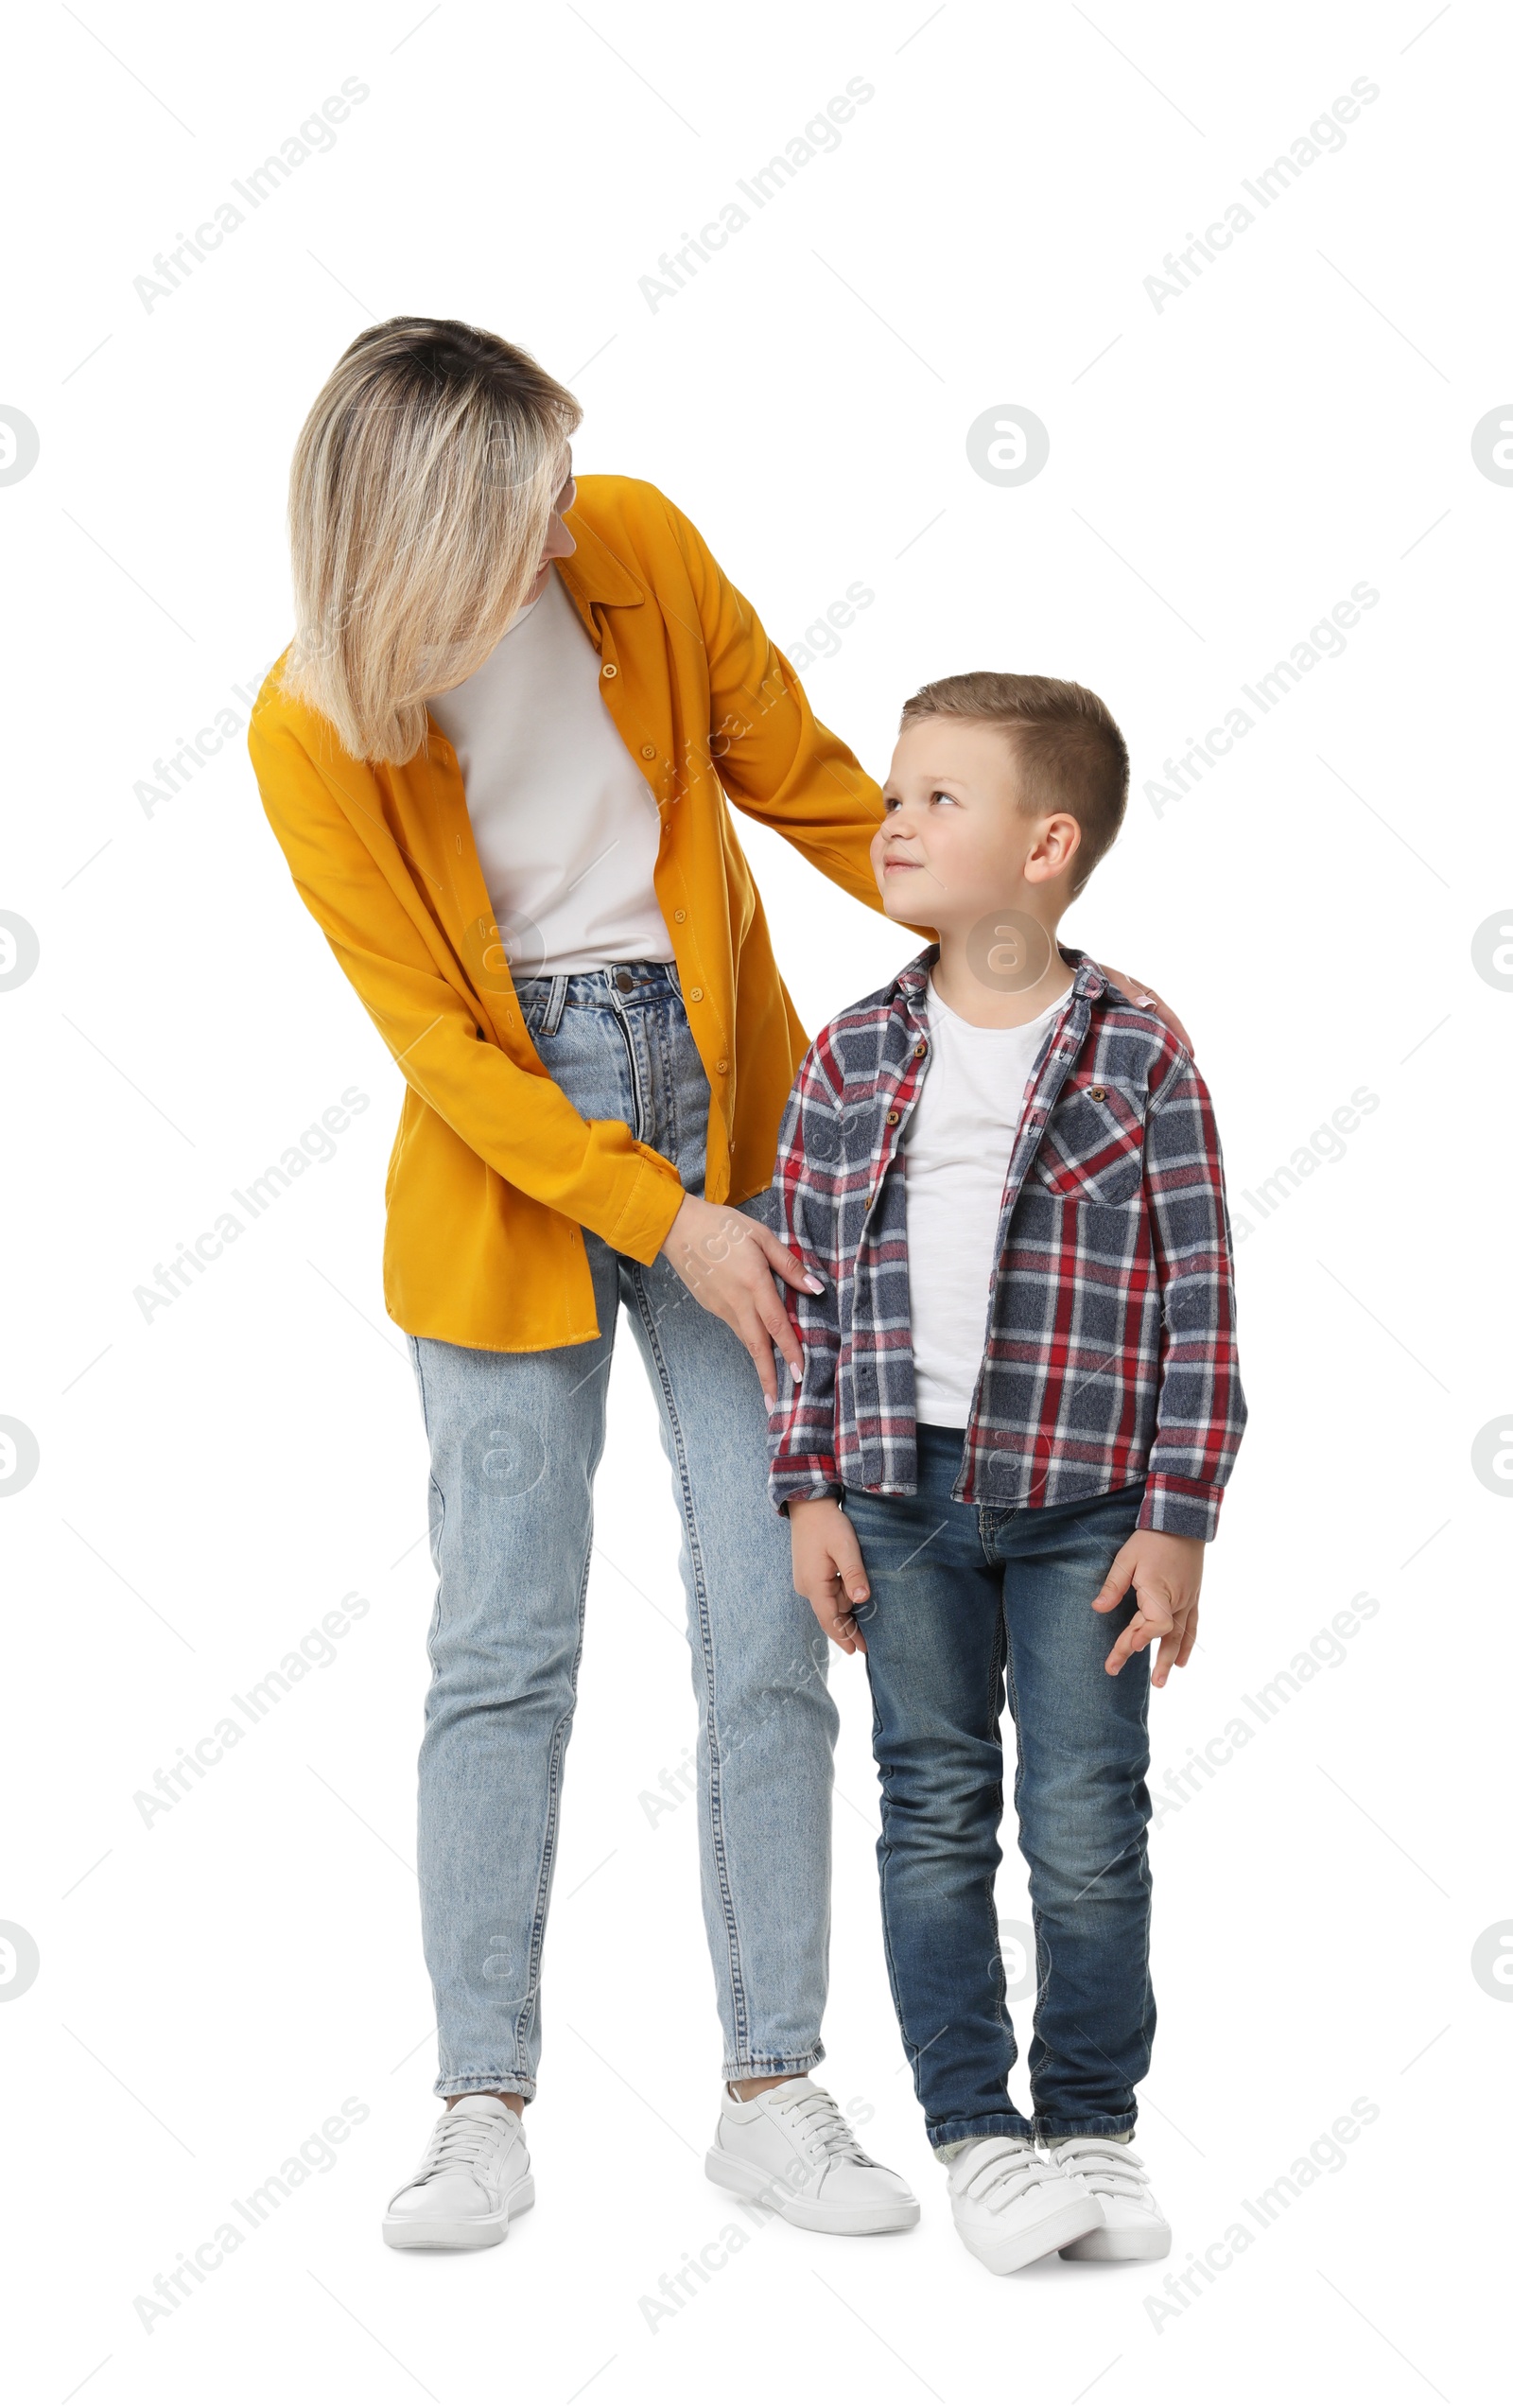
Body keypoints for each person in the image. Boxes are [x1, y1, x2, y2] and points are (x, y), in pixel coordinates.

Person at [248, 320, 1181, 2253]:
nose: (555, 530)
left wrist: (999, 918)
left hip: (726, 1103)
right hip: (508, 1171)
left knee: (775, 1611)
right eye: (513, 507)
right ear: (411, 534)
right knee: (501, 1647)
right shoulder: (308, 724)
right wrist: (657, 1216)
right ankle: (476, 2101)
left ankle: (770, 2087)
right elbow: (442, 1046)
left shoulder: (633, 547)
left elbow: (813, 782)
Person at [768, 672, 1246, 2275]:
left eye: (936, 800)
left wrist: (1178, 1517)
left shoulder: (1140, 1048)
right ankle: (977, 2130)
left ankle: (1093, 2122)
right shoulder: (851, 1058)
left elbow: (1201, 1296)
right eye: (894, 794)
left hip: (1091, 1510)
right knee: (933, 1806)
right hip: (900, 1497)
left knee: (1090, 1814)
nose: (894, 821)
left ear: (1049, 845)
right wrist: (809, 1487)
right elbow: (808, 1295)